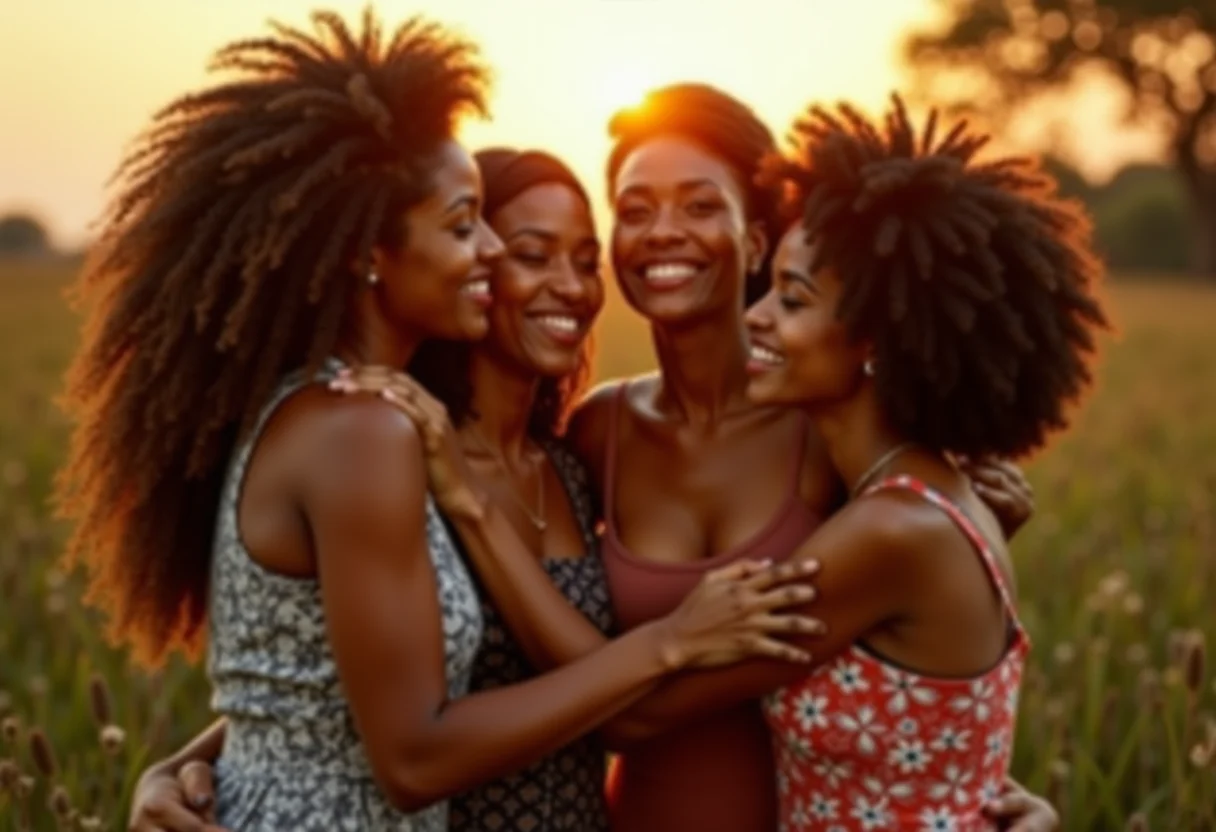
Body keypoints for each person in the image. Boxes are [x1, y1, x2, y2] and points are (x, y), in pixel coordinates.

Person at [55, 13, 823, 831]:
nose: (499, 257)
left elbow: (340, 677)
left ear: (756, 239)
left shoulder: (569, 456)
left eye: (579, 257)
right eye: (494, 239)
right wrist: (192, 763)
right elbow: (377, 715)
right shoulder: (395, 440)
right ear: (372, 251)